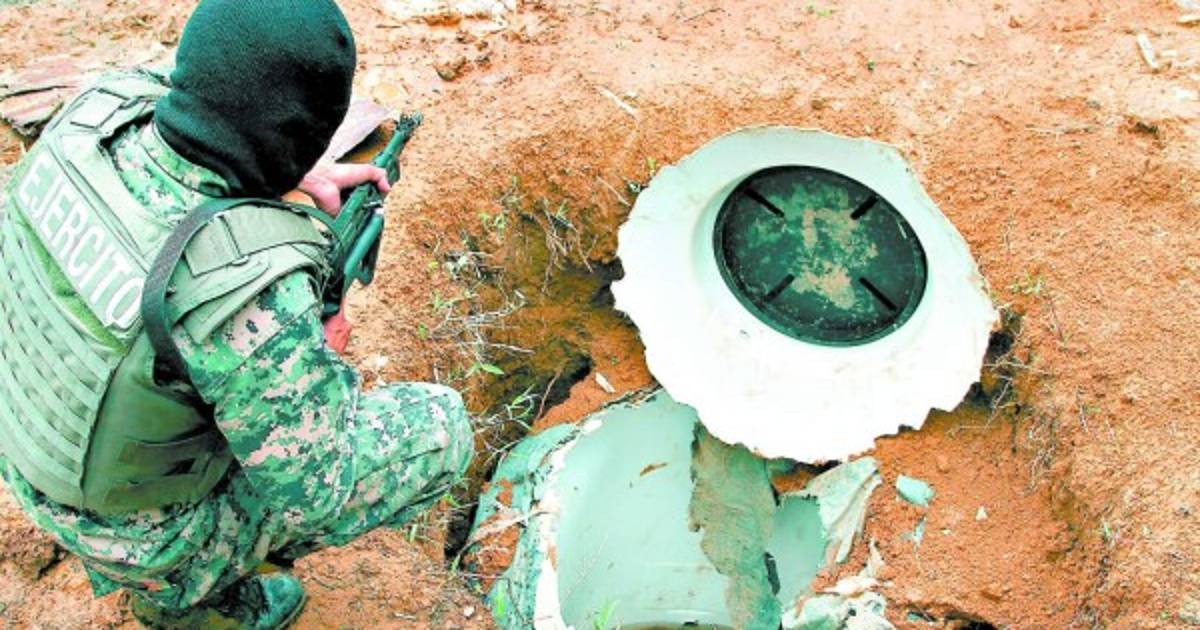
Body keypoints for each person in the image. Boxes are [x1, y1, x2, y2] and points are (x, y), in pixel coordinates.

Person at [0, 1, 473, 628]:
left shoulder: (92, 115)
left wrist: (284, 167)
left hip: (28, 452)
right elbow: (317, 490)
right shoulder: (242, 287)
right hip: (137, 536)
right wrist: (317, 358)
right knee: (443, 428)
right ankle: (190, 600)